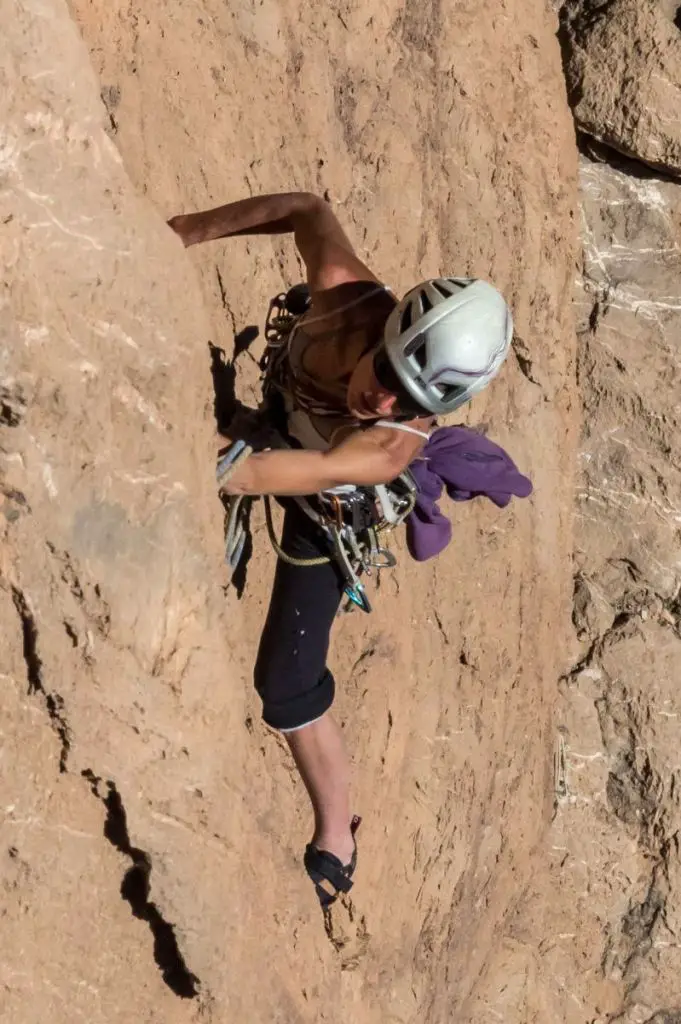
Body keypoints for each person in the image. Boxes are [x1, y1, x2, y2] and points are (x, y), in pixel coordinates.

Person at [168, 192, 512, 907]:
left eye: (411, 402)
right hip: (282, 424)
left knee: (286, 683)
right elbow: (307, 208)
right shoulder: (343, 298)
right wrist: (180, 234)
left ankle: (336, 833)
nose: (382, 403)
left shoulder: (383, 449)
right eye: (386, 375)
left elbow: (251, 475)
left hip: (325, 501)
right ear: (386, 329)